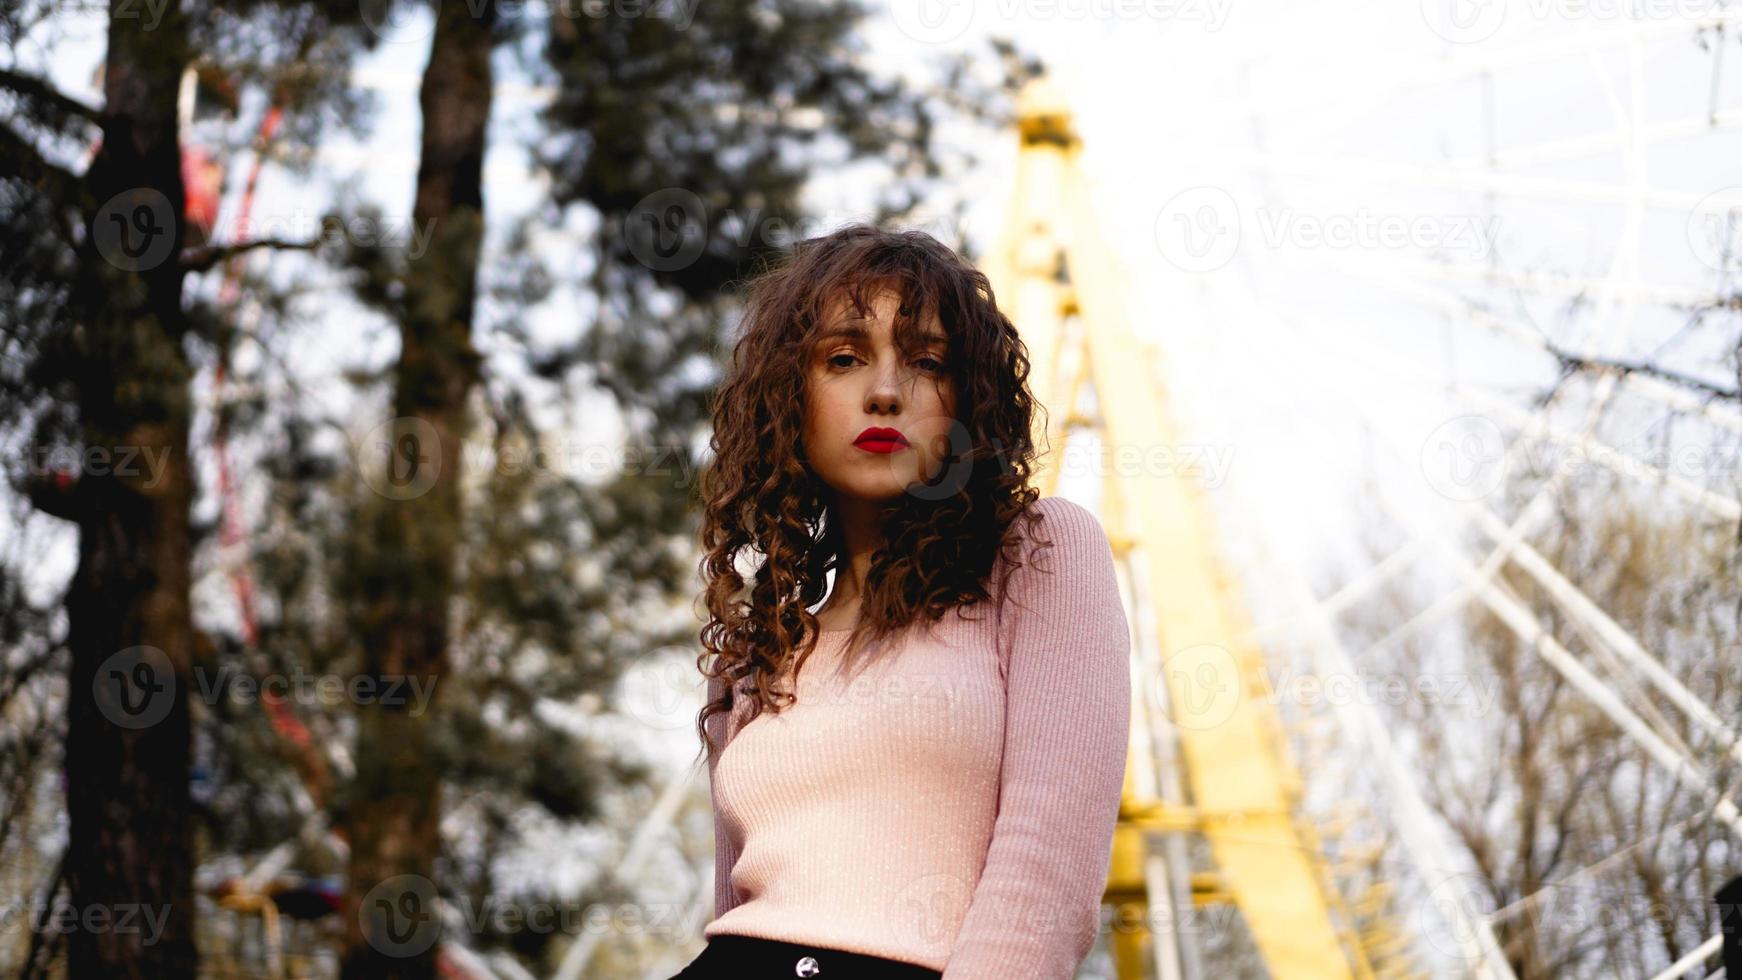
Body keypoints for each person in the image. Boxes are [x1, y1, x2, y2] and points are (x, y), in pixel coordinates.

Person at [674, 223, 1130, 980]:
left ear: (966, 400)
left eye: (926, 362)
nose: (885, 391)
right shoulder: (759, 643)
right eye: (844, 359)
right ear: (793, 398)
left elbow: (1047, 874)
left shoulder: (1040, 558)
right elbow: (735, 903)